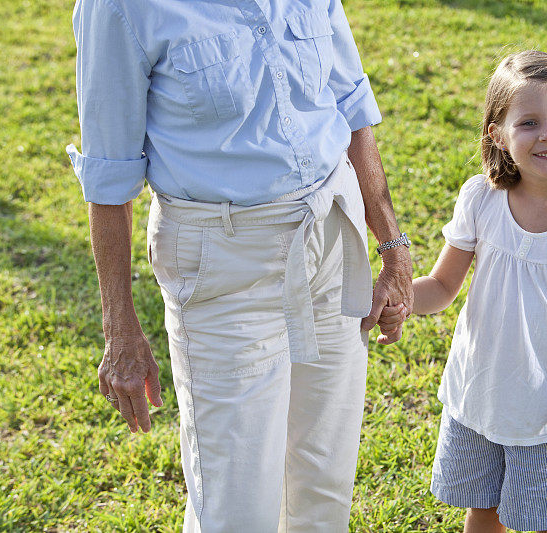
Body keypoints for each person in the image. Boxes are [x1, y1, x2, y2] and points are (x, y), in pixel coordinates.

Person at [64, 0, 412, 531]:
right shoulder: (121, 7)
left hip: (331, 244)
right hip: (224, 271)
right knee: (236, 507)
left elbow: (350, 102)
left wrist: (391, 243)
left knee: (323, 486)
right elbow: (109, 176)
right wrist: (119, 327)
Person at [380, 50, 547, 532]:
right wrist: (400, 300)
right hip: (478, 398)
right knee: (482, 509)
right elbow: (441, 285)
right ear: (497, 134)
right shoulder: (482, 199)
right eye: (529, 122)